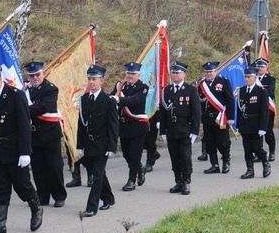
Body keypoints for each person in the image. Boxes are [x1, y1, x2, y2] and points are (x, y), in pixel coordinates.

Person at [0, 65, 43, 233]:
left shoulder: (16, 95)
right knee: (1, 187)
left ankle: (36, 207)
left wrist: (25, 152)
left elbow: (24, 125)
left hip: (15, 150)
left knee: (22, 185)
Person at [23, 61, 67, 207]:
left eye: (37, 74)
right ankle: (42, 195)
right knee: (38, 167)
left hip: (50, 133)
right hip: (34, 134)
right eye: (32, 75)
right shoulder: (26, 89)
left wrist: (21, 109)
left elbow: (44, 107)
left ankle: (59, 195)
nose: (35, 78)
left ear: (43, 74)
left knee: (53, 166)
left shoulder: (50, 89)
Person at [77, 65, 118, 217]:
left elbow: (113, 125)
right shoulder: (84, 99)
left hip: (102, 144)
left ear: (101, 81)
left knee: (97, 176)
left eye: (94, 79)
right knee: (98, 173)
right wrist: (79, 144)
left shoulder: (108, 101)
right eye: (89, 79)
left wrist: (112, 146)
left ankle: (91, 207)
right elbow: (81, 124)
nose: (91, 82)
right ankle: (108, 198)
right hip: (89, 143)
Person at [158, 62, 201, 195]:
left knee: (185, 157)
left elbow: (196, 113)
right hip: (171, 130)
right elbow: (163, 112)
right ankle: (178, 181)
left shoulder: (191, 90)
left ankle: (186, 181)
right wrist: (163, 131)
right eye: (173, 73)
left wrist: (194, 131)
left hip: (185, 129)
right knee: (174, 157)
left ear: (184, 74)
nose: (175, 75)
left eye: (177, 73)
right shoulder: (167, 90)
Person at [110, 62, 150, 190]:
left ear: (138, 74)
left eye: (133, 74)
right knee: (126, 154)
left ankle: (131, 180)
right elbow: (111, 98)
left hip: (138, 126)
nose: (130, 76)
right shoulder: (120, 86)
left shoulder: (143, 87)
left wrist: (119, 100)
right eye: (128, 73)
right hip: (124, 125)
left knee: (134, 155)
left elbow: (135, 100)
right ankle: (139, 168)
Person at [197, 61, 234, 174]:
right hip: (207, 118)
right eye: (206, 72)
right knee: (210, 143)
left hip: (220, 117)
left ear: (216, 71)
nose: (208, 74)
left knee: (223, 142)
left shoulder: (223, 82)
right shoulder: (201, 84)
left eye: (211, 71)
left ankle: (226, 162)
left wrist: (230, 117)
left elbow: (230, 101)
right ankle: (214, 165)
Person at [236, 66, 271, 179]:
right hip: (245, 124)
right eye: (245, 77)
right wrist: (237, 125)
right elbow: (239, 109)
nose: (246, 79)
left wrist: (263, 127)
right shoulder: (241, 90)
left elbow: (265, 111)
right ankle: (250, 170)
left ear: (255, 78)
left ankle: (265, 163)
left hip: (256, 124)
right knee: (247, 148)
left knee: (256, 147)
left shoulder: (262, 92)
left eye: (249, 77)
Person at [255, 58, 277, 161]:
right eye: (258, 66)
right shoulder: (253, 78)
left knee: (268, 133)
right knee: (257, 133)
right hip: (255, 109)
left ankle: (272, 152)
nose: (259, 68)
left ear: (266, 68)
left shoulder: (270, 79)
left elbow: (269, 91)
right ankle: (259, 154)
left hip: (268, 109)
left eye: (261, 66)